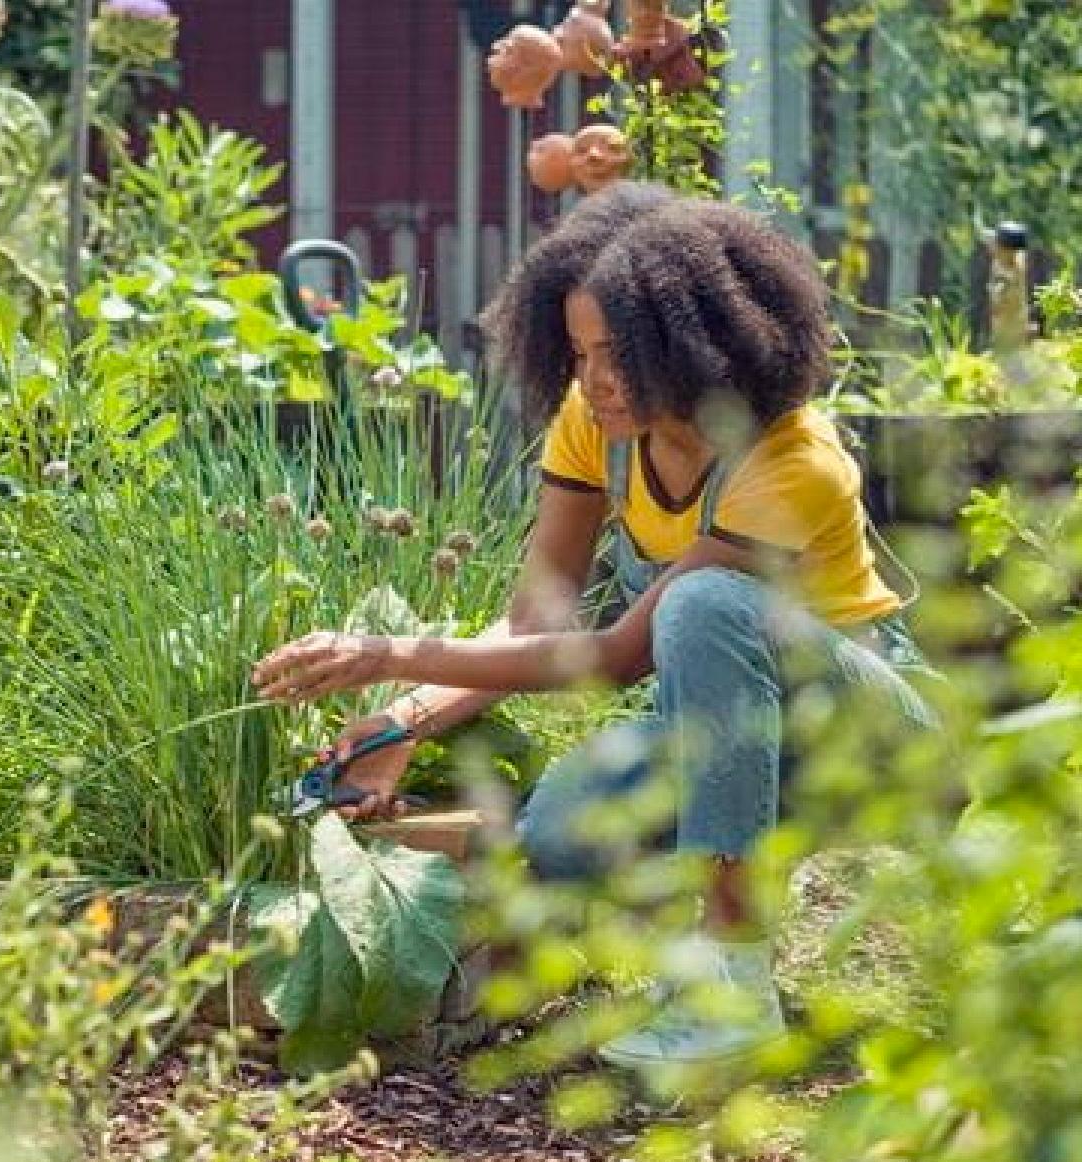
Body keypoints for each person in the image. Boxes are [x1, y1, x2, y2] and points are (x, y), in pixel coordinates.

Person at [252, 191, 937, 1071]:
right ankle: (684, 962)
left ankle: (732, 979)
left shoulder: (792, 459)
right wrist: (400, 723)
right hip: (744, 734)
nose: (596, 380)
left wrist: (383, 654)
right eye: (578, 354)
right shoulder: (598, 428)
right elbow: (538, 615)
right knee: (564, 833)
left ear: (696, 342)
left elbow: (617, 657)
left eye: (623, 354)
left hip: (878, 735)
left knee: (702, 604)